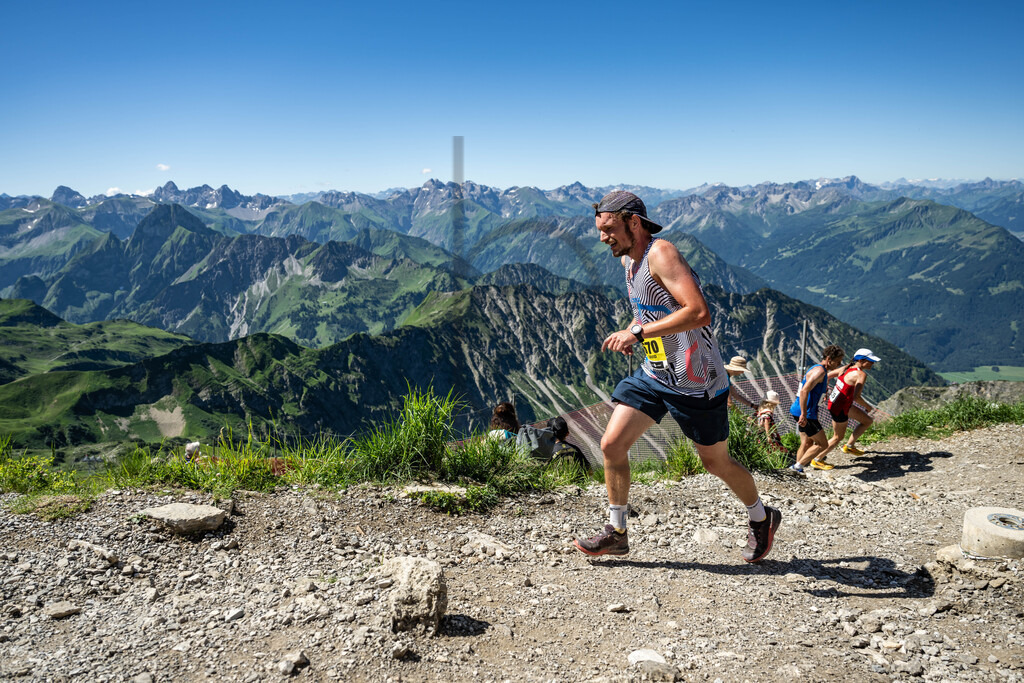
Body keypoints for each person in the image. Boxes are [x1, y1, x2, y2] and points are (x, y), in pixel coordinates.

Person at [573, 191, 781, 563]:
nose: (602, 237)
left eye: (608, 229)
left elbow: (699, 312)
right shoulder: (630, 261)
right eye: (600, 230)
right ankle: (616, 532)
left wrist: (637, 334)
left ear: (633, 222)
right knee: (611, 445)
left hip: (696, 381)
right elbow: (652, 312)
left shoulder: (660, 254)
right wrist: (636, 327)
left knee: (715, 462)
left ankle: (762, 517)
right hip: (656, 374)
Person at [787, 345, 845, 473]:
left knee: (807, 443)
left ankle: (797, 471)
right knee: (822, 444)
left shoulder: (818, 369)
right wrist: (803, 414)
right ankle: (796, 467)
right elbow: (804, 391)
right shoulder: (820, 372)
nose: (838, 364)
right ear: (829, 359)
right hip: (806, 413)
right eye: (838, 362)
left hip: (803, 411)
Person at [822, 348, 880, 458]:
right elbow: (856, 397)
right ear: (862, 361)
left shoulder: (846, 368)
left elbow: (827, 376)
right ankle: (817, 458)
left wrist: (825, 392)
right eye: (870, 360)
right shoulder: (861, 375)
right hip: (841, 408)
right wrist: (868, 406)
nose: (873, 363)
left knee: (867, 421)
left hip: (837, 404)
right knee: (837, 437)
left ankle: (849, 446)